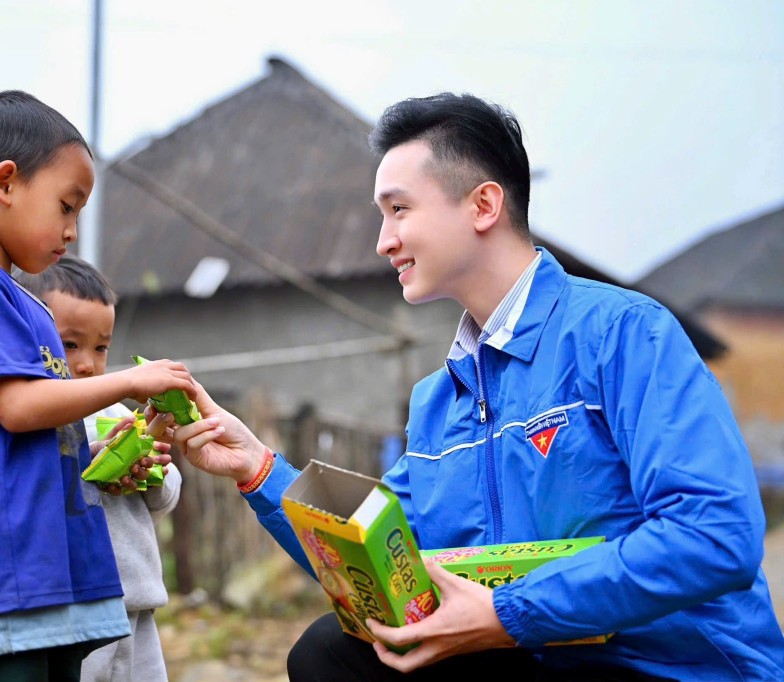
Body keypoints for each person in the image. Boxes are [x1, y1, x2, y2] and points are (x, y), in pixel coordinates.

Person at [165, 92, 784, 680]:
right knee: (332, 653)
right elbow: (381, 568)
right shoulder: (439, 399)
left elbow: (714, 533)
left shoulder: (623, 335)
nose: (383, 241)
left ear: (484, 206)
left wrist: (505, 612)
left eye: (399, 210)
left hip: (667, 667)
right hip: (533, 656)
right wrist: (257, 469)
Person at [0, 90, 196, 682]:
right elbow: (19, 408)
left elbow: (47, 437)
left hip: (42, 594)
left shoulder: (27, 309)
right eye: (66, 206)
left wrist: (120, 448)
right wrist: (128, 380)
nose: (73, 231)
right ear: (4, 183)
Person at [15, 255, 181, 682]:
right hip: (75, 612)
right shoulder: (36, 423)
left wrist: (154, 468)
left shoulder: (116, 411)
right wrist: (93, 458)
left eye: (101, 347)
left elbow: (163, 500)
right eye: (70, 344)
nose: (87, 363)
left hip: (139, 604)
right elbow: (37, 488)